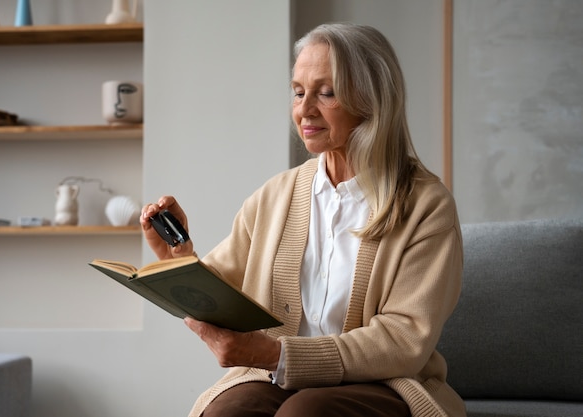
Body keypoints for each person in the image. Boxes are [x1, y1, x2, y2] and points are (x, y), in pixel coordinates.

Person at [141, 22, 465, 417]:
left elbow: (403, 340)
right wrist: (177, 256)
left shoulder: (426, 205)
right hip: (274, 377)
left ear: (371, 99)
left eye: (326, 93)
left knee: (305, 412)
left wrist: (276, 353)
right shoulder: (275, 196)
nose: (304, 110)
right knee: (226, 413)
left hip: (383, 384)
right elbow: (220, 291)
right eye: (298, 92)